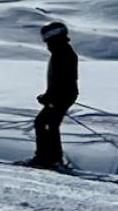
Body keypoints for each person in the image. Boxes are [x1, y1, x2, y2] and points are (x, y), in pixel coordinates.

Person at [27, 20, 80, 171]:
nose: (45, 40)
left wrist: (49, 97)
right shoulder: (61, 50)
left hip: (62, 95)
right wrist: (49, 95)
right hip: (63, 94)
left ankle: (47, 159)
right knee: (49, 123)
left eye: (46, 36)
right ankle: (51, 158)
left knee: (43, 123)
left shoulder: (62, 52)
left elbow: (62, 79)